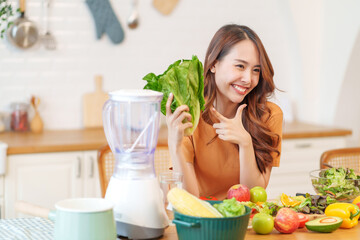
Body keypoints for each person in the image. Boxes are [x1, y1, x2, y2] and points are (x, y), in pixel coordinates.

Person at [166, 24, 283, 200]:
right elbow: (189, 200)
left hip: (247, 222)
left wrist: (245, 143)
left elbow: (253, 197)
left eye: (256, 70)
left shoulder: (269, 115)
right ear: (214, 64)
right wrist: (174, 146)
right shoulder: (190, 116)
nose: (248, 79)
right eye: (240, 66)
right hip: (205, 221)